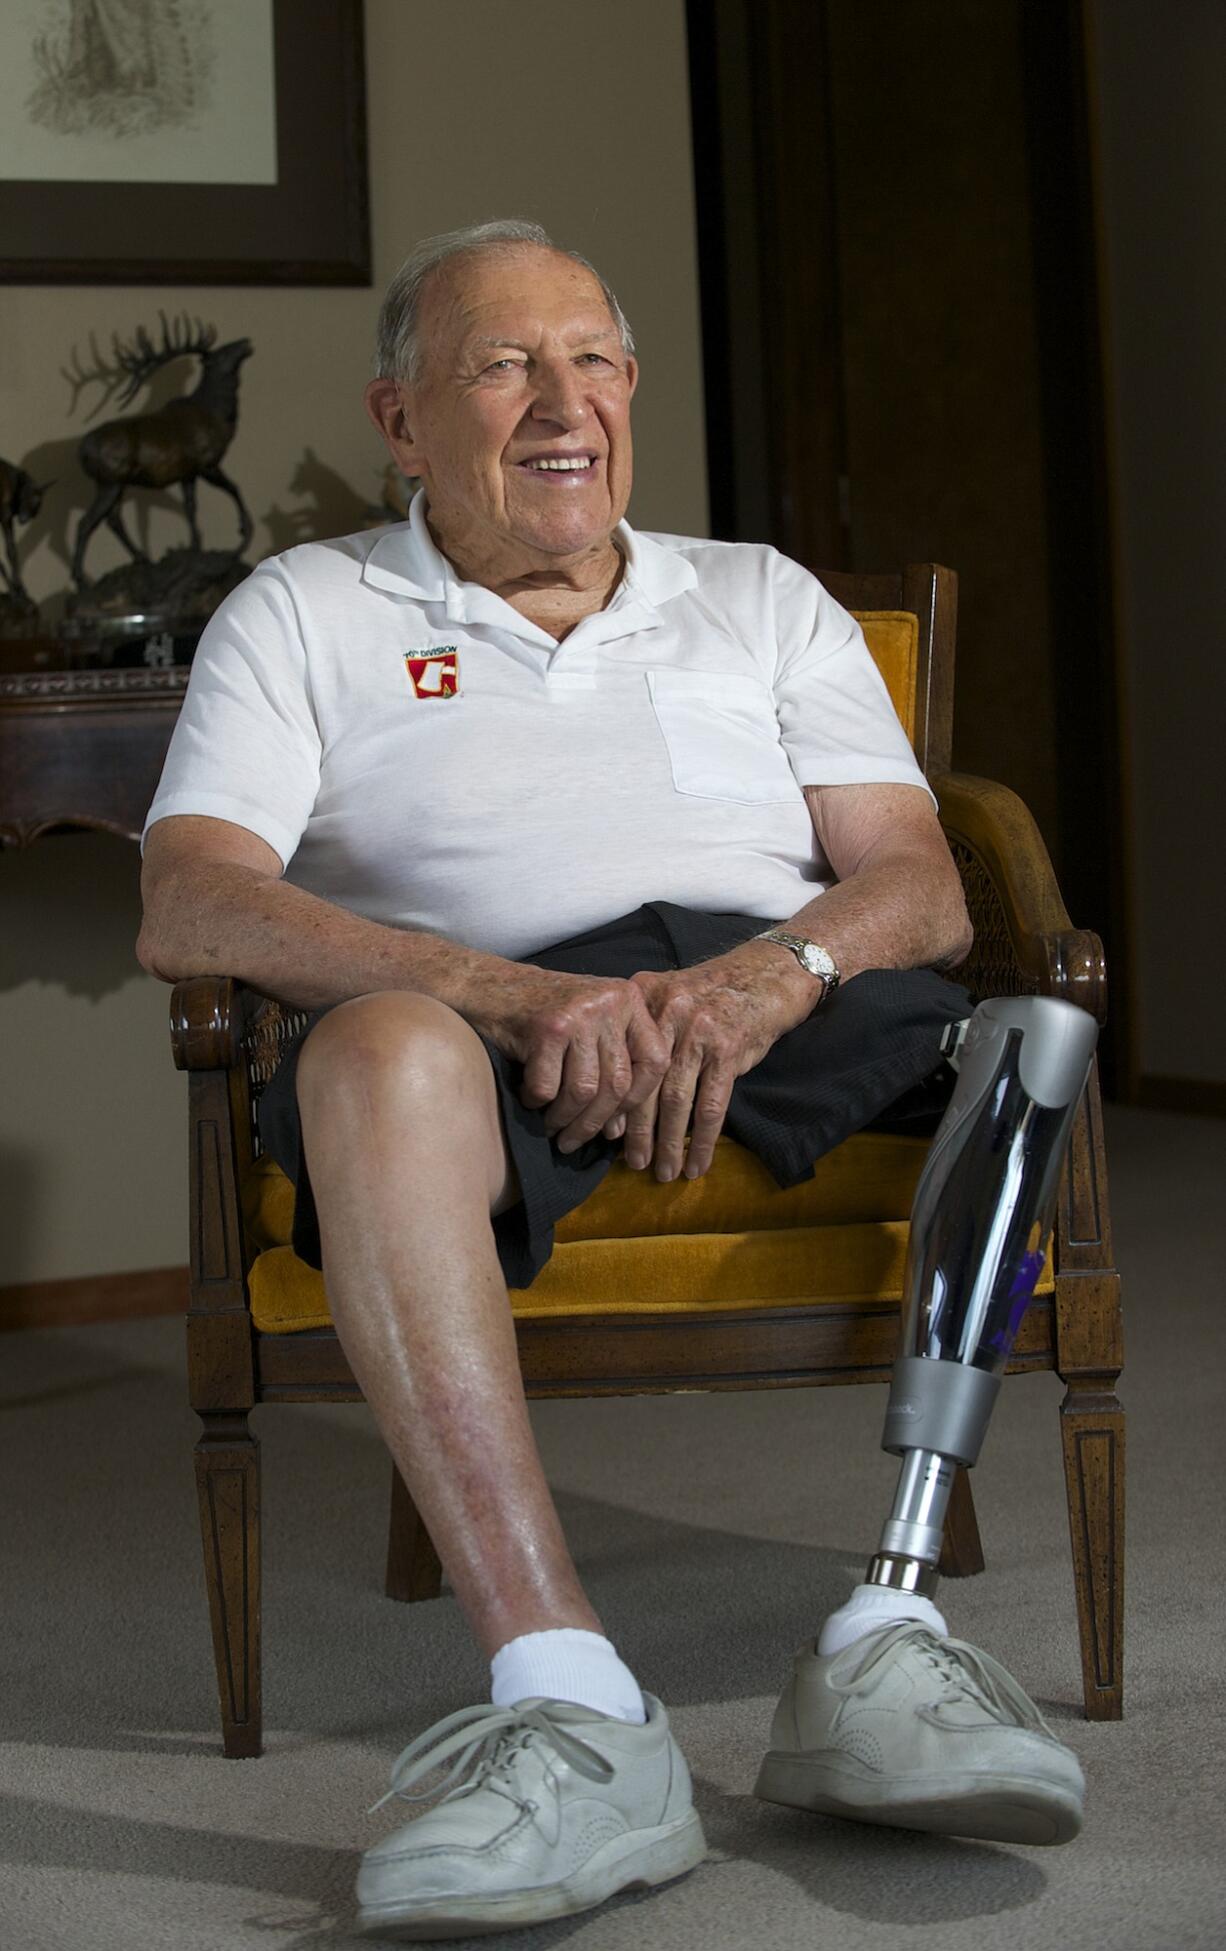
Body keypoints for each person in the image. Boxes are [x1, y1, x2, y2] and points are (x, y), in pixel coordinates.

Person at [138, 219, 1086, 1941]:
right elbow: (192, 893)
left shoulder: (757, 594)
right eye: (501, 364)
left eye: (594, 360)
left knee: (1033, 1036)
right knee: (369, 1060)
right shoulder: (305, 607)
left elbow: (918, 880)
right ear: (401, 420)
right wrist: (506, 998)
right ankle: (572, 1697)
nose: (563, 401)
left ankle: (887, 1634)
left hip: (767, 996)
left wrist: (760, 977)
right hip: (473, 1032)